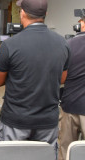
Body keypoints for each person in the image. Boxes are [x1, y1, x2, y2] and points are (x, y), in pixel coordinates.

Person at [0, 0, 70, 155]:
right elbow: (62, 78)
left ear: (23, 14)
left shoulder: (10, 45)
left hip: (16, 120)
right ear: (45, 15)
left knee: (11, 158)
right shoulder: (63, 43)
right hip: (47, 121)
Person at [58, 17, 85, 160]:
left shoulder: (69, 44)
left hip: (70, 104)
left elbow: (60, 77)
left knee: (66, 149)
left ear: (81, 23)